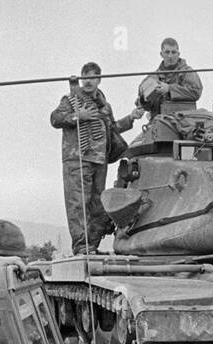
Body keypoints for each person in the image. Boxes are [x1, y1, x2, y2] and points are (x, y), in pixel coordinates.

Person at [50, 62, 144, 255]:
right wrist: (78, 116)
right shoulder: (71, 99)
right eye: (85, 77)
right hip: (77, 159)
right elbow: (55, 119)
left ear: (99, 80)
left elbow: (112, 129)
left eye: (92, 77)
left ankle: (91, 246)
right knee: (78, 204)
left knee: (98, 206)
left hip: (99, 160)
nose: (88, 81)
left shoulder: (104, 105)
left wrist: (131, 118)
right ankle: (81, 247)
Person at [136, 37, 203, 119]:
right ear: (161, 54)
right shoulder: (153, 78)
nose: (170, 56)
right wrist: (142, 102)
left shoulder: (187, 72)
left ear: (178, 54)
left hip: (184, 123)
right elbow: (141, 102)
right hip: (159, 123)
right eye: (167, 52)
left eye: (173, 52)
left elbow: (195, 92)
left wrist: (169, 89)